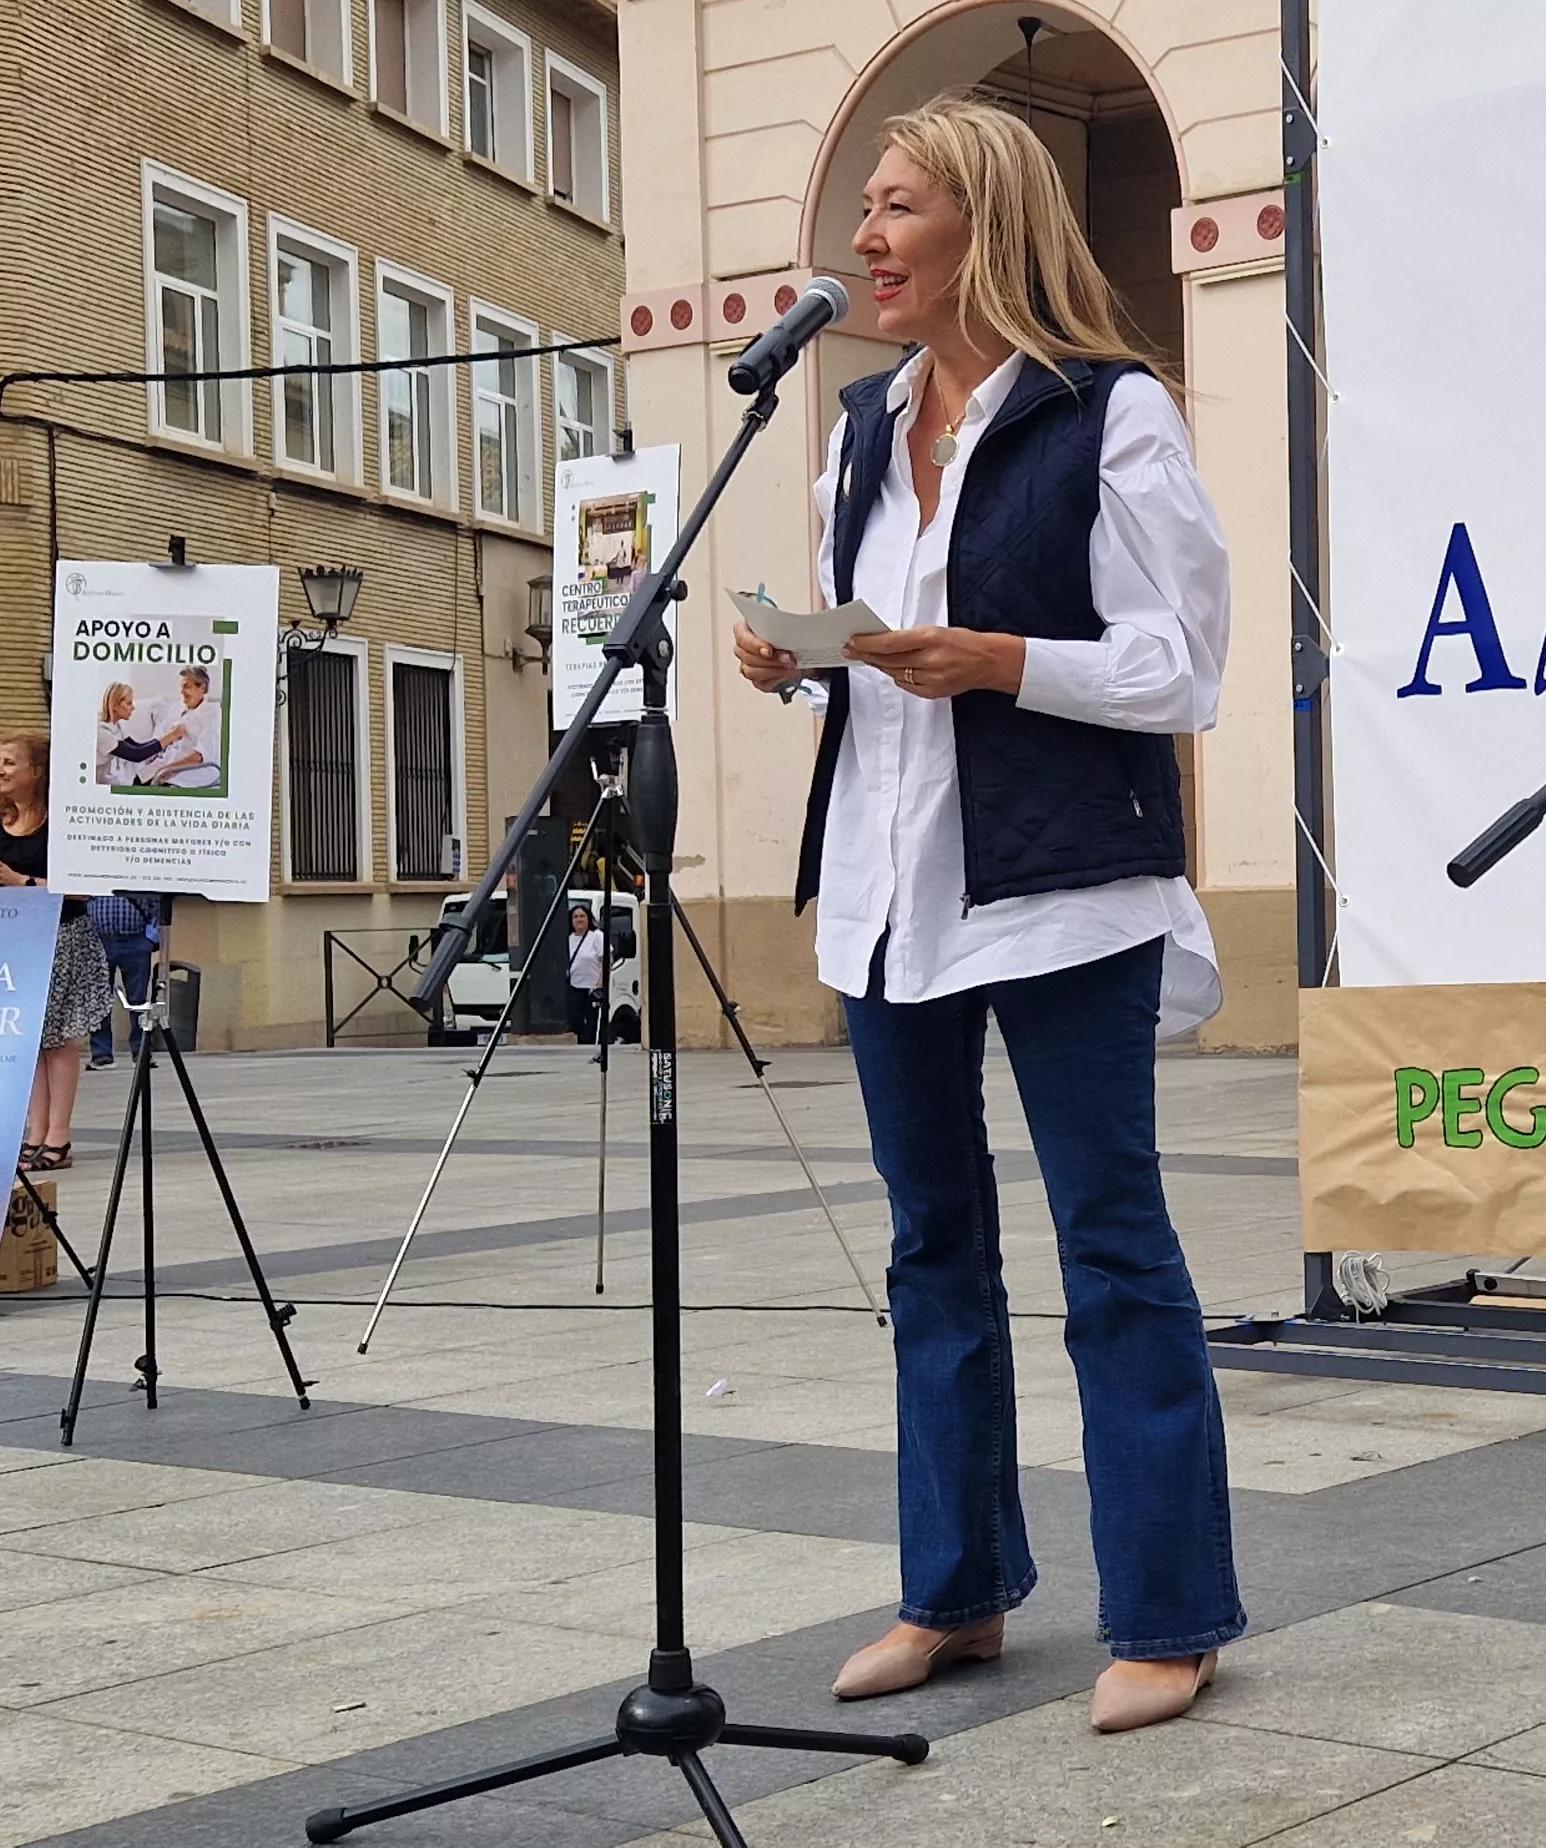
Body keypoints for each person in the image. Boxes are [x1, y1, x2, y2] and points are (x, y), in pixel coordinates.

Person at [729, 95, 1240, 1735]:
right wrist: (799, 651)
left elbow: (1186, 666)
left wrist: (1005, 658)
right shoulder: (860, 429)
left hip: (1062, 892)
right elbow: (872, 660)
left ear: (984, 223)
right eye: (864, 208)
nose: (864, 239)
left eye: (897, 207)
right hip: (893, 896)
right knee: (931, 1247)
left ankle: (1168, 1610)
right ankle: (953, 1590)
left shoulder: (1115, 413)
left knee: (1113, 1245)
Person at [0, 731, 112, 1171]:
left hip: (61, 938)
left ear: (37, 771)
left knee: (58, 1038)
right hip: (9, 941)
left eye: (8, 762)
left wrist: (19, 881)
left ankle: (58, 1136)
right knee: (28, 1039)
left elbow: (85, 888)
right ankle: (35, 1132)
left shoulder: (63, 821)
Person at [86, 889, 160, 1068]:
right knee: (98, 1000)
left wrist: (150, 939)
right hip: (98, 941)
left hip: (135, 942)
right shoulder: (91, 872)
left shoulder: (136, 872)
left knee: (138, 1000)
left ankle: (141, 1052)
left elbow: (157, 905)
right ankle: (101, 1054)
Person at [146, 666, 221, 790]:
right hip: (166, 763)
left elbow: (199, 756)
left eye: (187, 686)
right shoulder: (177, 708)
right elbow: (159, 738)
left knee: (166, 786)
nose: (182, 692)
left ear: (202, 688)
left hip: (196, 768)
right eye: (181, 687)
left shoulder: (212, 714)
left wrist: (169, 769)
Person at [562, 903, 607, 1055]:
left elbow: (607, 960)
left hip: (592, 988)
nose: (579, 919)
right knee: (575, 1021)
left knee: (592, 1022)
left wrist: (601, 982)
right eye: (575, 916)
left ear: (588, 919)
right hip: (574, 987)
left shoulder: (597, 937)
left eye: (582, 916)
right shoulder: (567, 939)